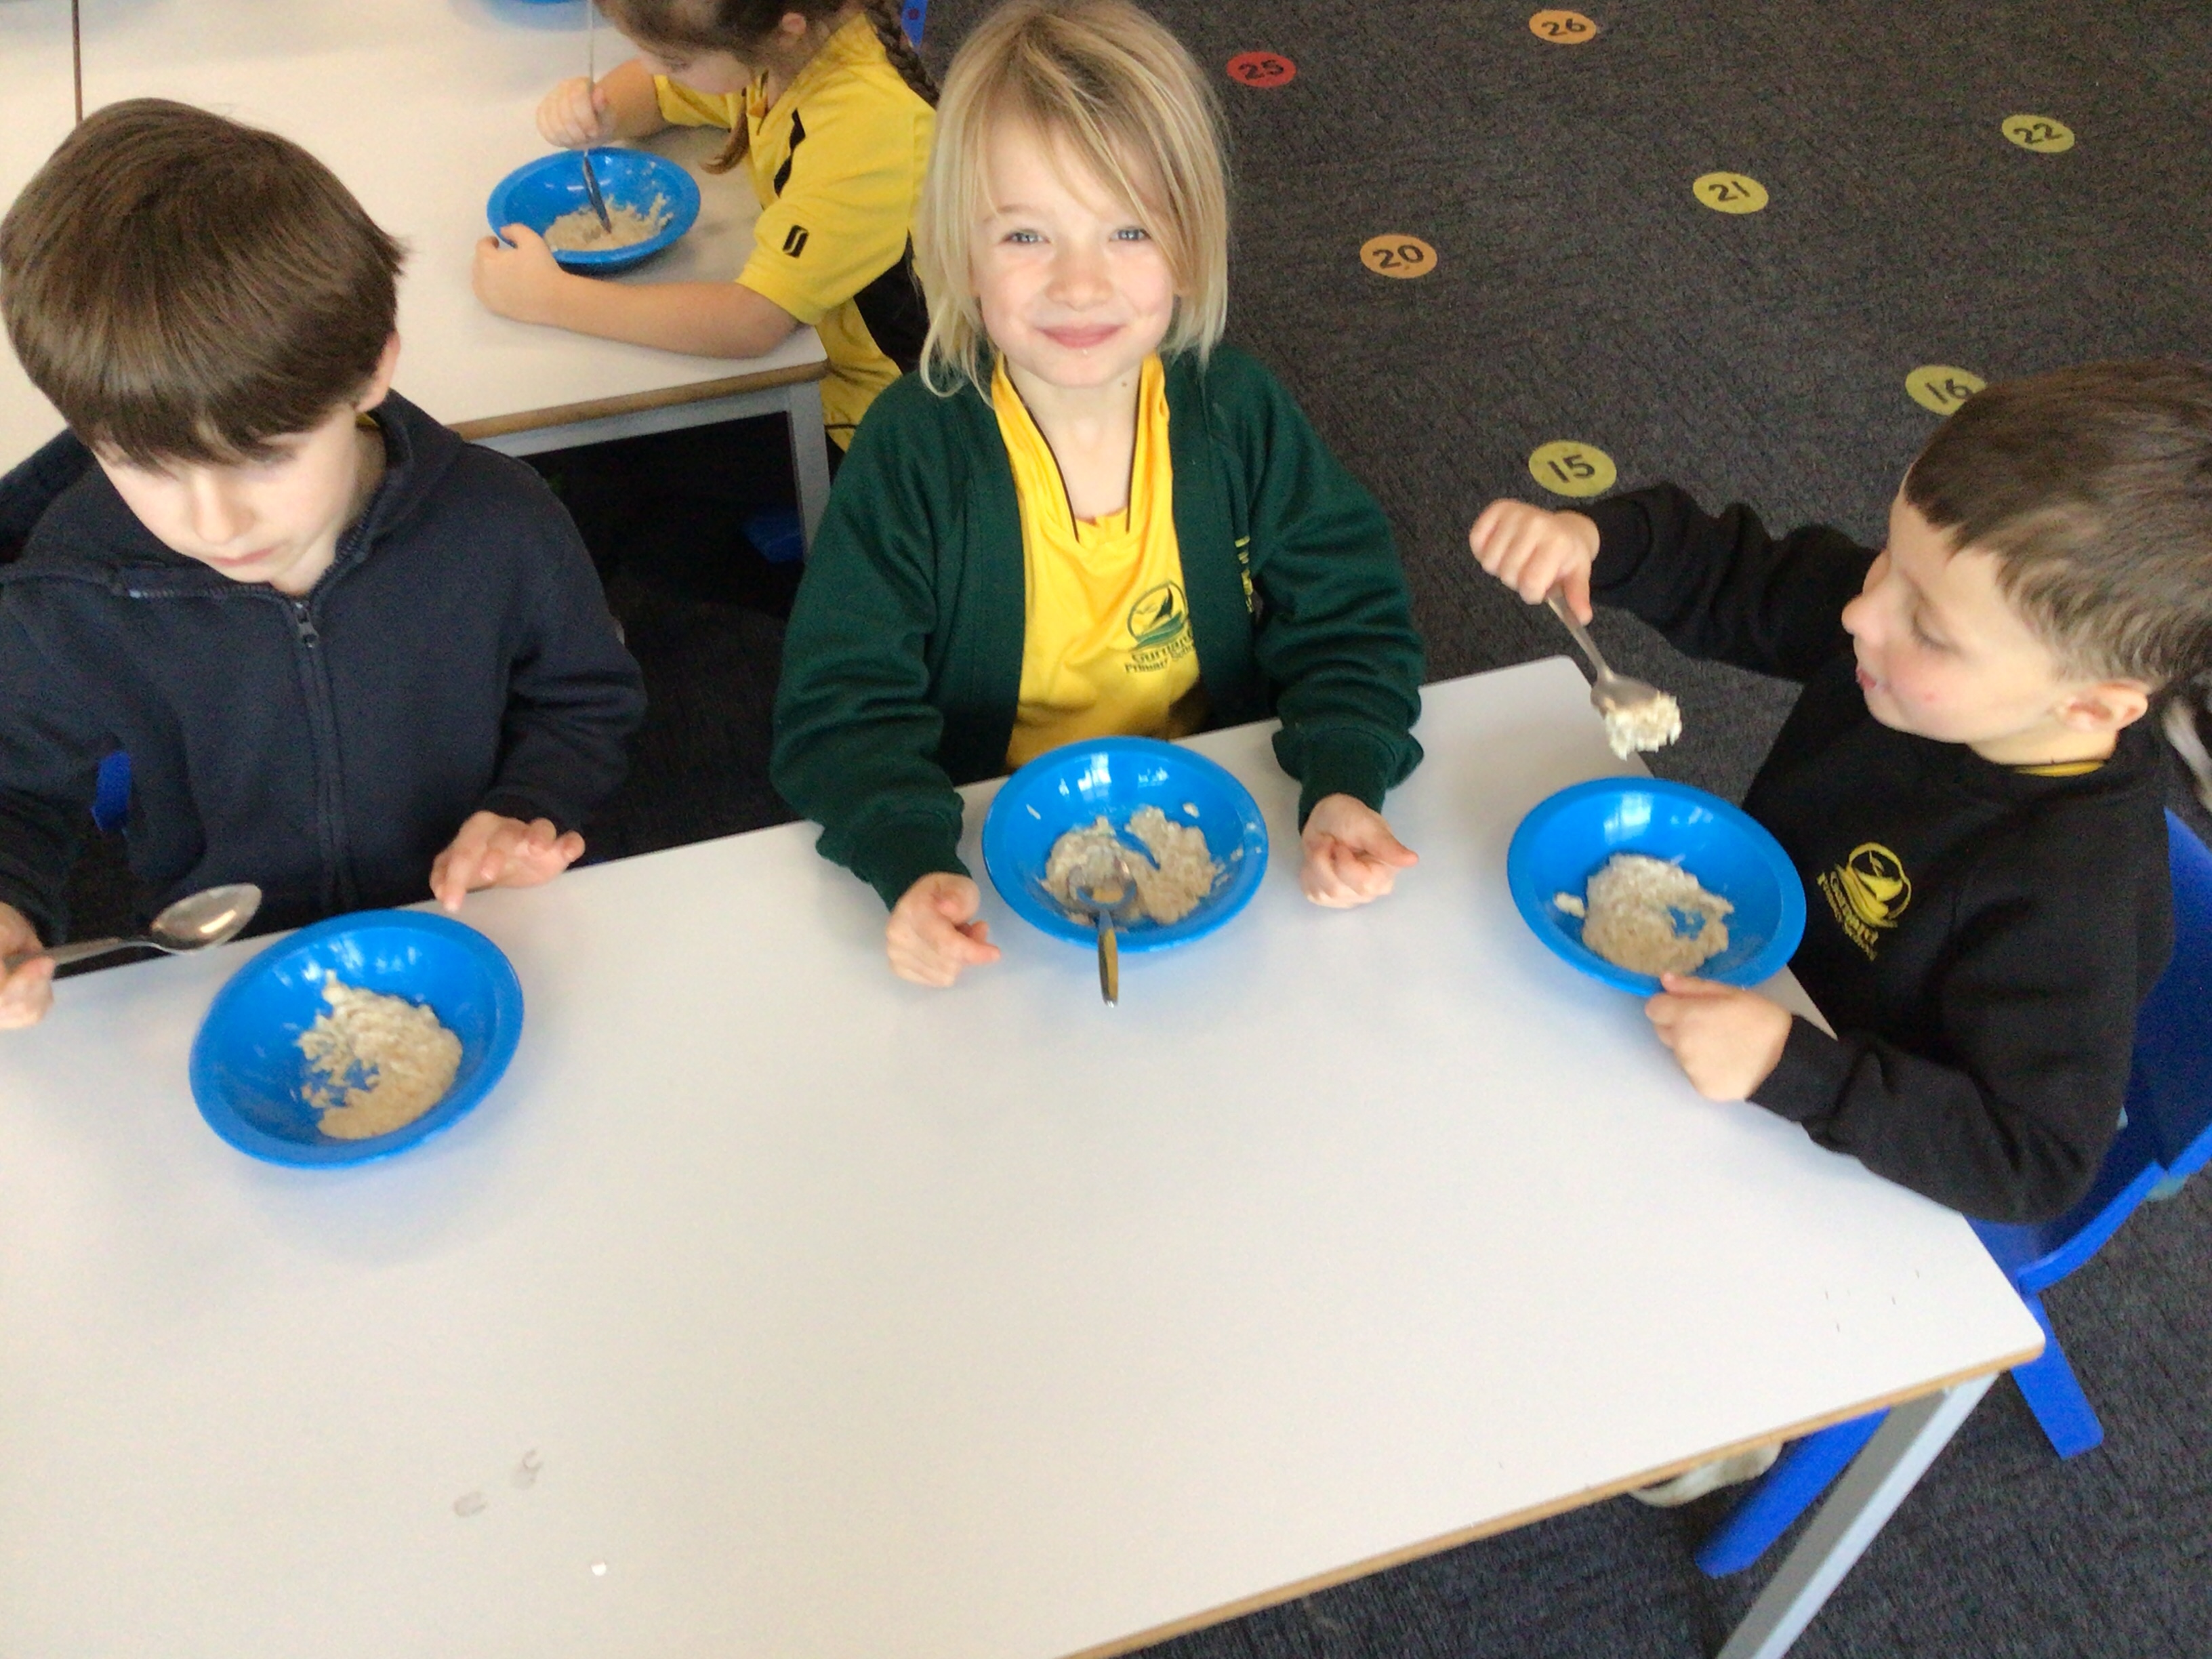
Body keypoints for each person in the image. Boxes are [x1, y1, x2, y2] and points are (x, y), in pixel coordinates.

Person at [772, 0, 1426, 987]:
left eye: (1128, 230)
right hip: (988, 869)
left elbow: (1352, 621)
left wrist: (1342, 781)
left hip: (1220, 828)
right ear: (960, 254)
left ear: (1191, 246)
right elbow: (840, 708)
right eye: (1026, 236)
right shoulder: (915, 448)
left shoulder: (1237, 414)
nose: (1080, 286)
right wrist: (910, 859)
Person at [1469, 359, 2212, 1227]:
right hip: (1733, 1003)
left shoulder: (2071, 896)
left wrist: (1793, 1067)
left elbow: (2031, 1160)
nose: (1864, 613)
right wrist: (1597, 542)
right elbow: (1738, 574)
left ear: (2091, 706)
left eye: (1928, 624)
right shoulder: (1906, 636)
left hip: (1842, 1151)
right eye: (1891, 555)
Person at [0, 99, 646, 1031]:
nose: (215, 523)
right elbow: (16, 790)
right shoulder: (70, 592)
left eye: (265, 457)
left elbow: (586, 700)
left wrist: (525, 806)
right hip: (224, 967)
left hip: (472, 924)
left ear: (371, 372)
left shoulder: (501, 523)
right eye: (144, 465)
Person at [474, 0, 936, 454]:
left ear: (784, 31)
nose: (649, 67)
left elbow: (753, 322)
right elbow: (661, 92)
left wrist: (549, 298)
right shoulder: (790, 42)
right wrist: (603, 110)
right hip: (823, 375)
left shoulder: (866, 127)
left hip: (877, 428)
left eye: (674, 61)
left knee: (599, 460)